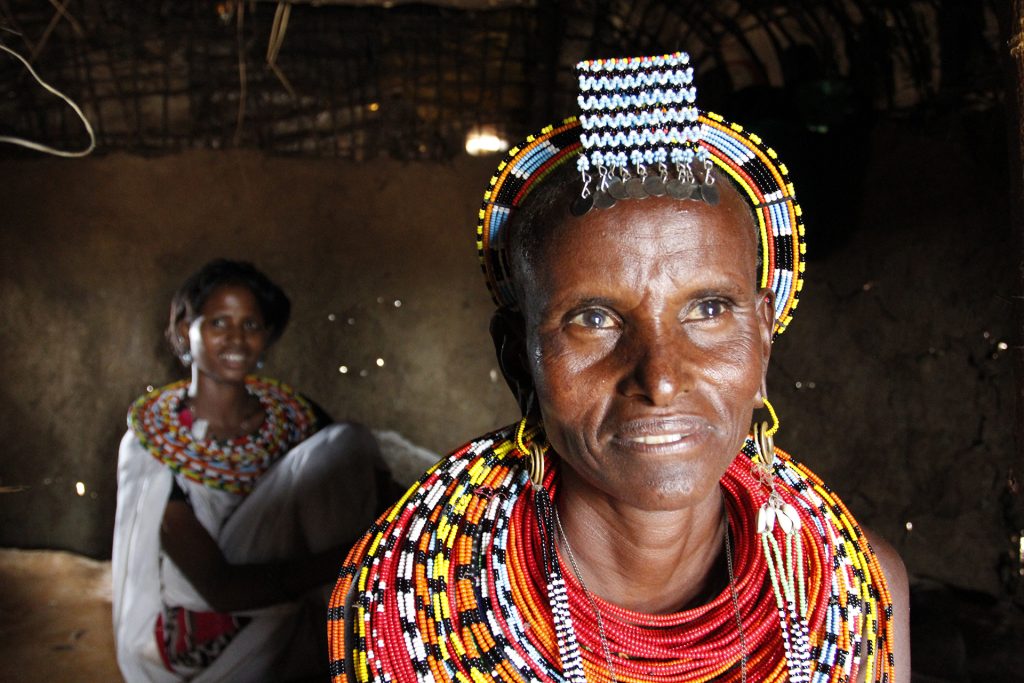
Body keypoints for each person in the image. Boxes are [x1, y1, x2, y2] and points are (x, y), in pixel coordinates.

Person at [328, 52, 910, 682]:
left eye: (709, 309)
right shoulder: (402, 602)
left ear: (763, 339)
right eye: (596, 319)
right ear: (519, 358)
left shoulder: (857, 593)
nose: (659, 380)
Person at [112, 259, 390, 682]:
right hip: (216, 608)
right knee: (342, 445)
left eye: (252, 325)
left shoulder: (295, 418)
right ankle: (349, 612)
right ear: (186, 328)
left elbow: (372, 489)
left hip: (302, 582)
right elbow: (219, 586)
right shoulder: (153, 443)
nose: (236, 339)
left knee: (346, 443)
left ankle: (354, 612)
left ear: (267, 336)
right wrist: (358, 556)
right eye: (219, 322)